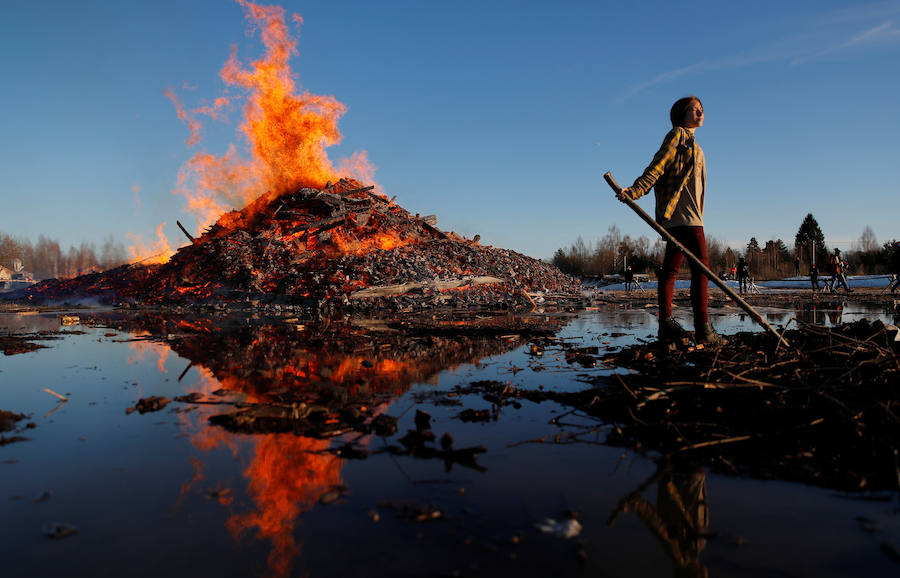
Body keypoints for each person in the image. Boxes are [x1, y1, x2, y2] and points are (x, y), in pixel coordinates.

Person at [616, 96, 724, 345]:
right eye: (693, 109)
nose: (699, 112)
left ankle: (666, 324)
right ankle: (704, 329)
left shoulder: (695, 145)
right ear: (680, 114)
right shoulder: (677, 135)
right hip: (684, 216)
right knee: (702, 269)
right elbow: (657, 167)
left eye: (701, 109)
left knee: (671, 269)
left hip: (688, 215)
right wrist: (634, 191)